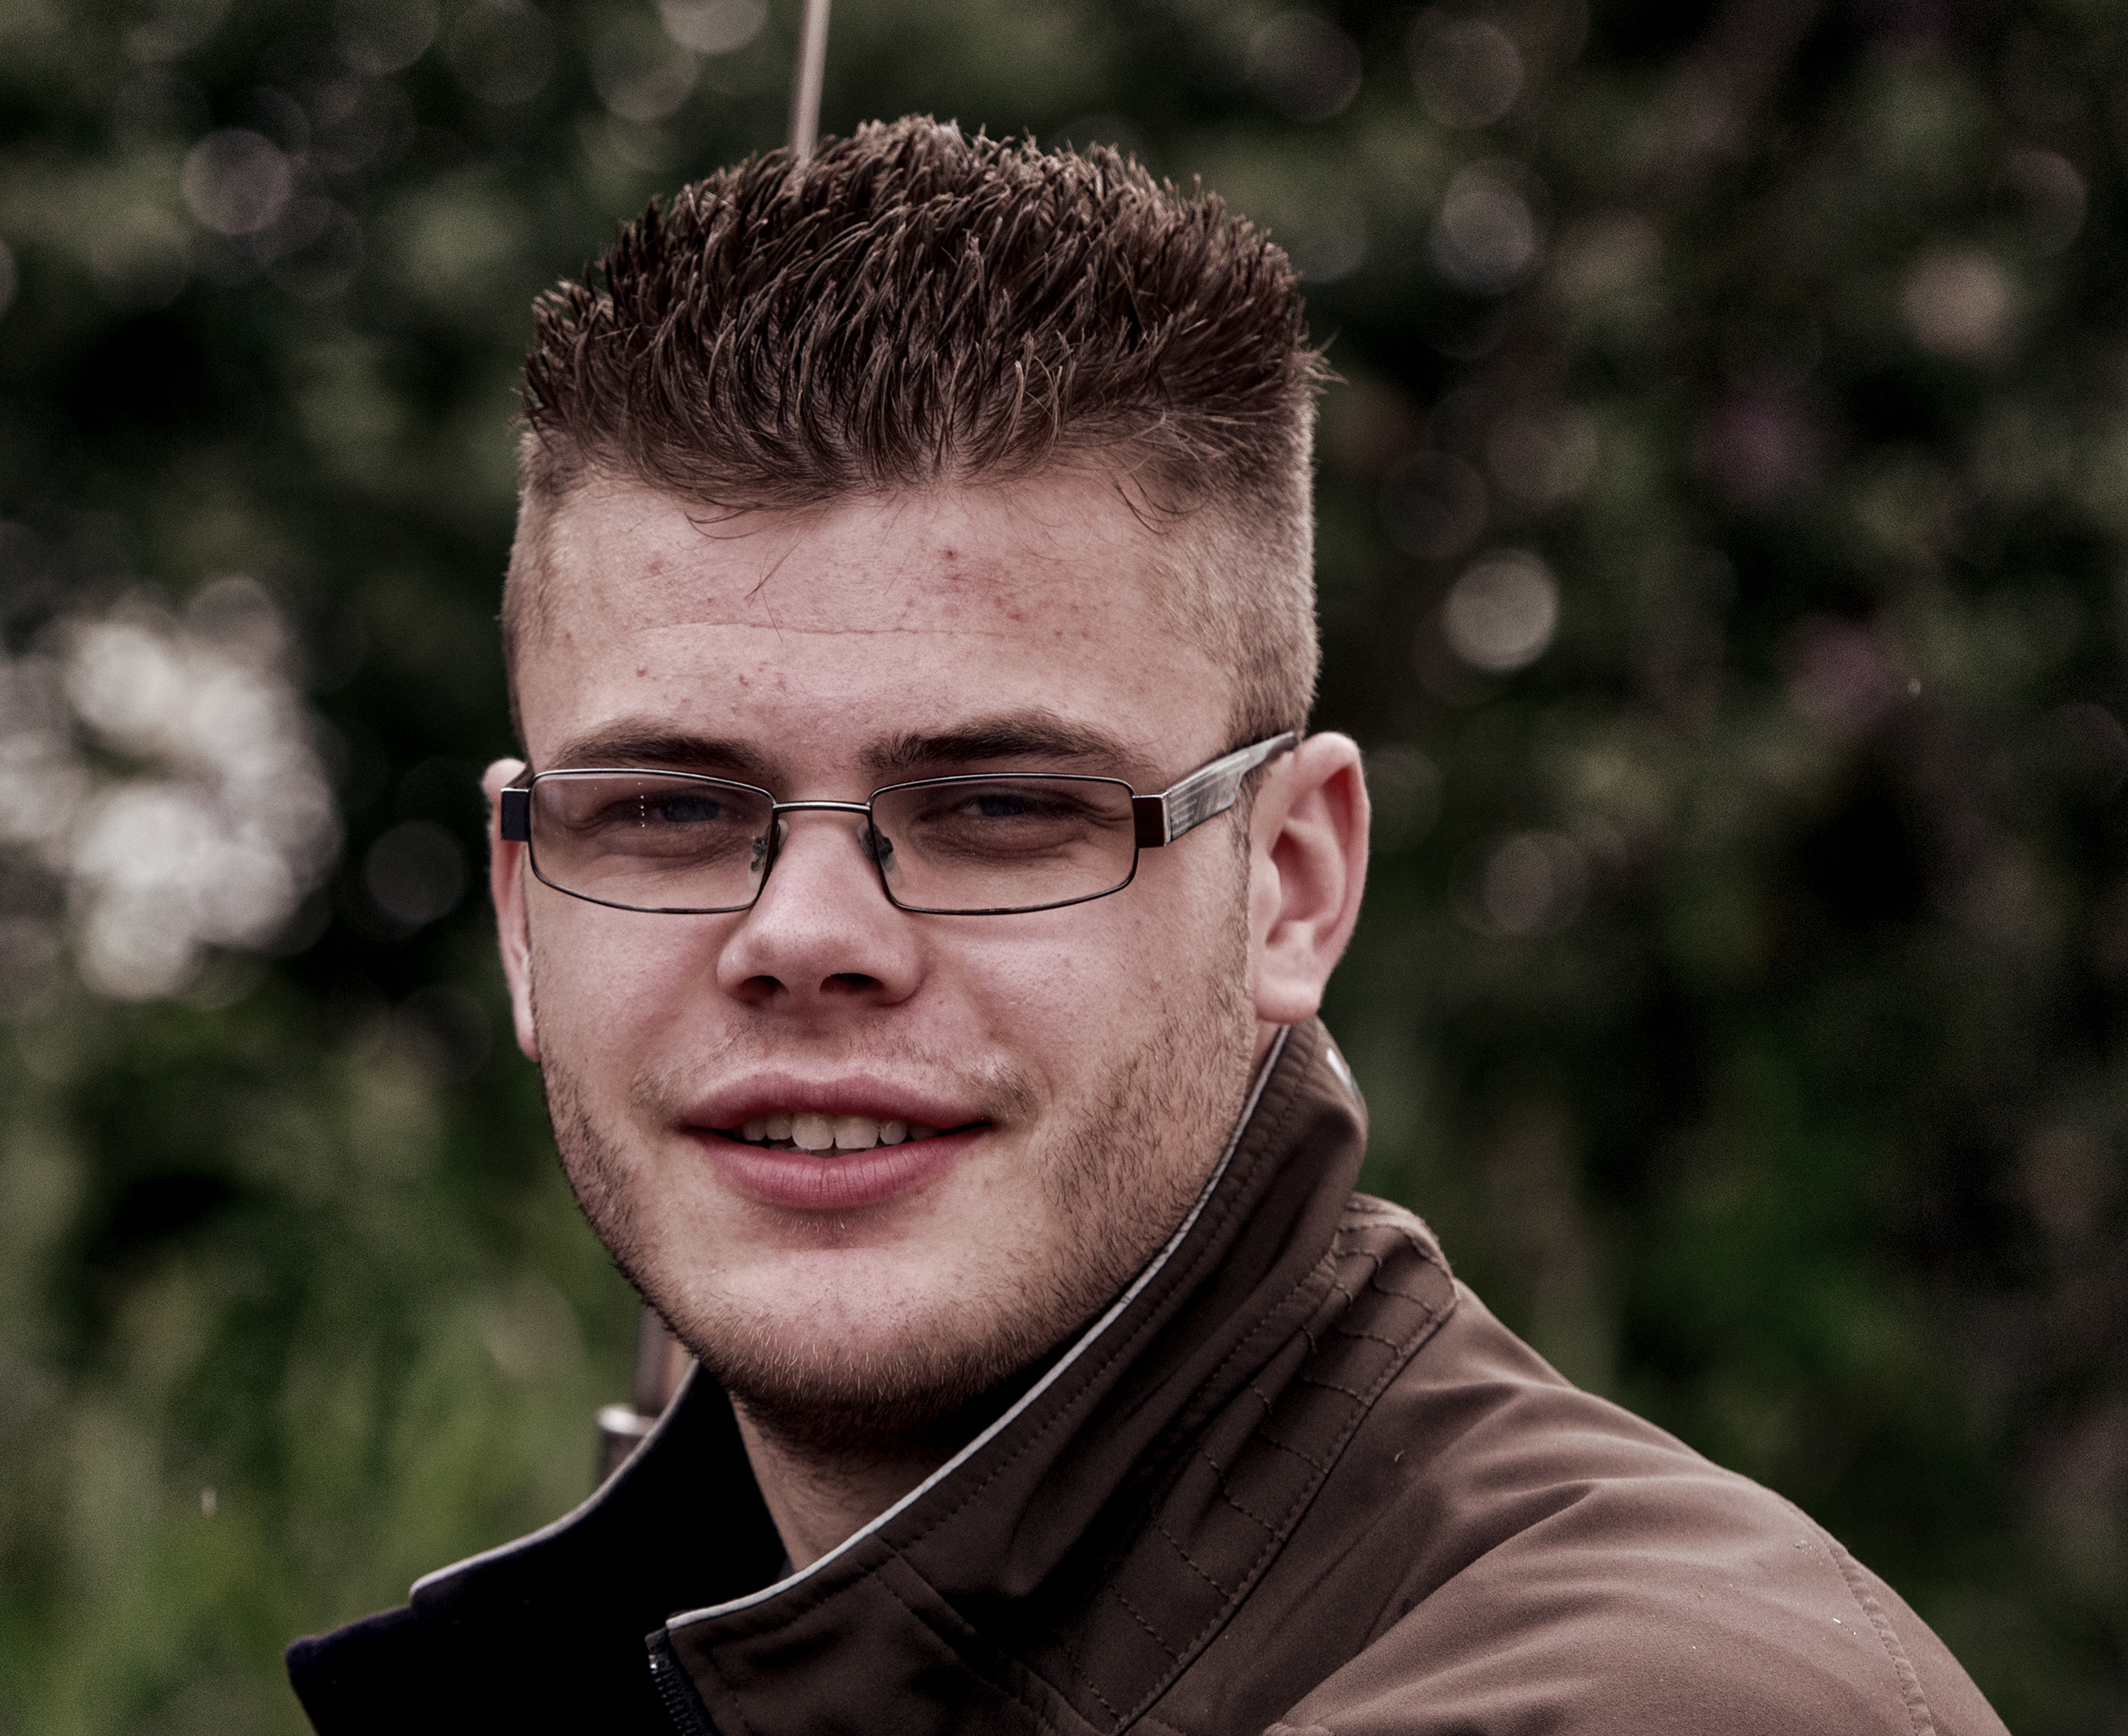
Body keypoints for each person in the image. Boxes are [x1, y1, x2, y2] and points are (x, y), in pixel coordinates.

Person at [287, 118, 2001, 1736]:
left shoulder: (1647, 1697)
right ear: (522, 914)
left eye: (997, 807)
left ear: (1292, 883)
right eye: (670, 811)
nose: (803, 935)